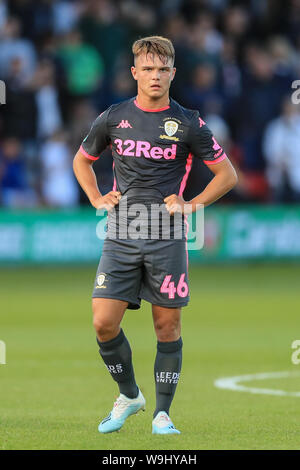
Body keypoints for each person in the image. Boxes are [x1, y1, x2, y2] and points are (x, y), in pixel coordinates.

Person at [73, 36, 237, 435]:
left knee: (167, 327)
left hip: (167, 236)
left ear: (173, 73)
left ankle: (162, 413)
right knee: (102, 323)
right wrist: (96, 195)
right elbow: (82, 159)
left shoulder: (188, 122)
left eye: (163, 69)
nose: (155, 76)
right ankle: (130, 395)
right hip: (121, 233)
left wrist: (192, 204)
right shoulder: (113, 117)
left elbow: (227, 175)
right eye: (148, 69)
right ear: (134, 73)